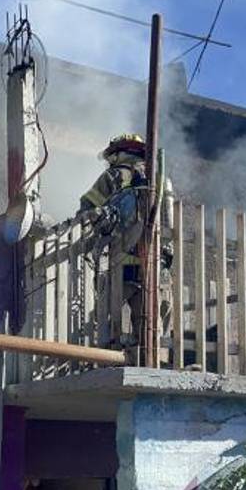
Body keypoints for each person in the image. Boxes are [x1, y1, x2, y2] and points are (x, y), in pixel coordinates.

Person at [79, 134, 173, 352]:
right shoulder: (160, 178)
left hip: (120, 267)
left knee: (104, 323)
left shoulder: (113, 176)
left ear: (119, 153)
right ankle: (150, 365)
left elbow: (86, 213)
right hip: (155, 268)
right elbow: (169, 226)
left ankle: (105, 360)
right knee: (151, 331)